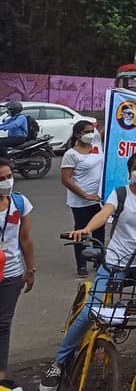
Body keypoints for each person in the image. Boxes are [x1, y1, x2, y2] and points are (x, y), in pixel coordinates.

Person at [39, 152, 136, 391]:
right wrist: (86, 229)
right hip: (117, 258)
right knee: (91, 310)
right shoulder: (120, 193)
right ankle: (58, 362)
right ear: (130, 173)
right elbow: (104, 213)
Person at [0, 158, 34, 391]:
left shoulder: (20, 203)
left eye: (8, 176)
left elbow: (25, 239)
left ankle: (1, 371)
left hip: (12, 273)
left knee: (3, 323)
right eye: (1, 179)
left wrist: (30, 269)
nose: (7, 181)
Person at [60, 121, 104, 277]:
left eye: (92, 131)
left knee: (99, 230)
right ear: (78, 134)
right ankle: (81, 264)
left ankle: (99, 260)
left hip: (98, 199)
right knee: (81, 231)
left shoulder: (97, 145)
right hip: (80, 201)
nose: (91, 134)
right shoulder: (71, 154)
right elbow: (66, 180)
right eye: (87, 132)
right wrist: (85, 195)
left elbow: (109, 128)